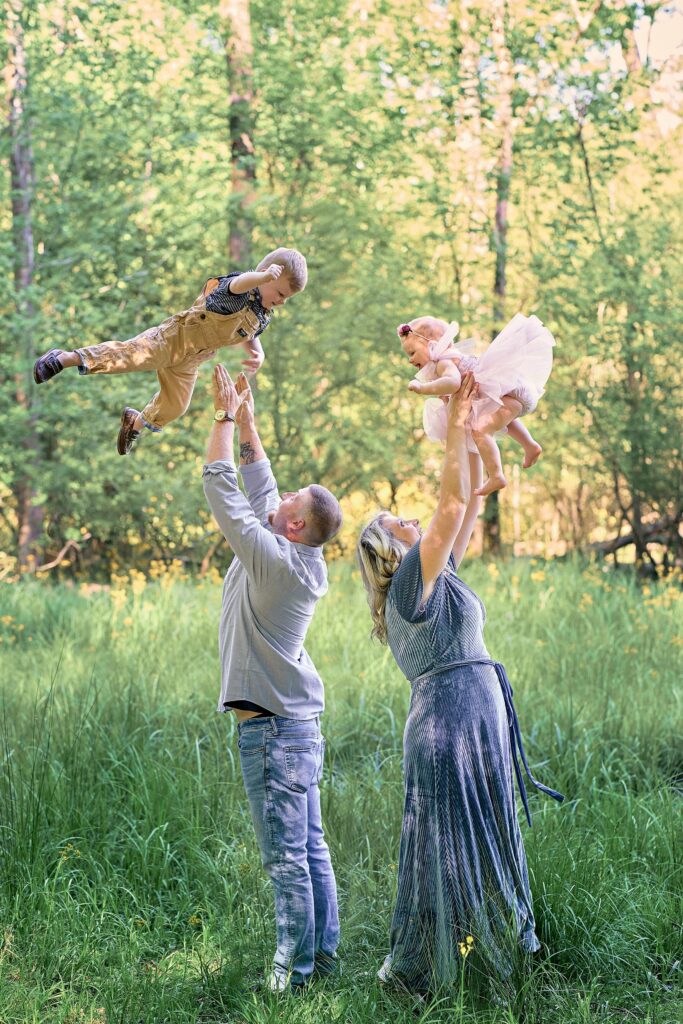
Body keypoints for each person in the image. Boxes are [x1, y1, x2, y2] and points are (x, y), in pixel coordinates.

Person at [356, 373, 563, 995]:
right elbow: (449, 505)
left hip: (472, 717)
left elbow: (467, 501)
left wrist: (468, 426)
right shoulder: (410, 584)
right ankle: (435, 968)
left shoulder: (435, 575)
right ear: (388, 551)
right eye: (397, 522)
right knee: (448, 851)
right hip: (449, 727)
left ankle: (498, 947)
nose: (411, 517)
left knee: (487, 831)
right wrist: (456, 437)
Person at [202, 364, 341, 993]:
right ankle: (325, 955)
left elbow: (223, 489)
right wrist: (251, 423)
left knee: (286, 857)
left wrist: (224, 422)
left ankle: (293, 974)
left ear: (293, 526)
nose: (280, 496)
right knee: (310, 847)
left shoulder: (274, 560)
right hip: (298, 726)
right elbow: (262, 490)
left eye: (290, 502)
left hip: (273, 734)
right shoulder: (295, 553)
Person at [32, 247, 307, 455]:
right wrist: (260, 276)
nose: (282, 302)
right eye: (281, 293)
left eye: (287, 299)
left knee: (177, 405)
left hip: (192, 359)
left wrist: (256, 349)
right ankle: (64, 358)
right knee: (128, 355)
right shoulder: (236, 289)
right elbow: (239, 283)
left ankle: (135, 423)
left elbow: (250, 330)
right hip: (174, 337)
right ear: (268, 276)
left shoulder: (262, 314)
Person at [398, 313, 554, 495]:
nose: (410, 360)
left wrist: (422, 388)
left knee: (480, 429)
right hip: (512, 394)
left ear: (431, 345)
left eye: (412, 353)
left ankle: (496, 476)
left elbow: (453, 383)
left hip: (511, 392)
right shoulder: (450, 358)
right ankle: (530, 445)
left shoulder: (444, 363)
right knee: (500, 419)